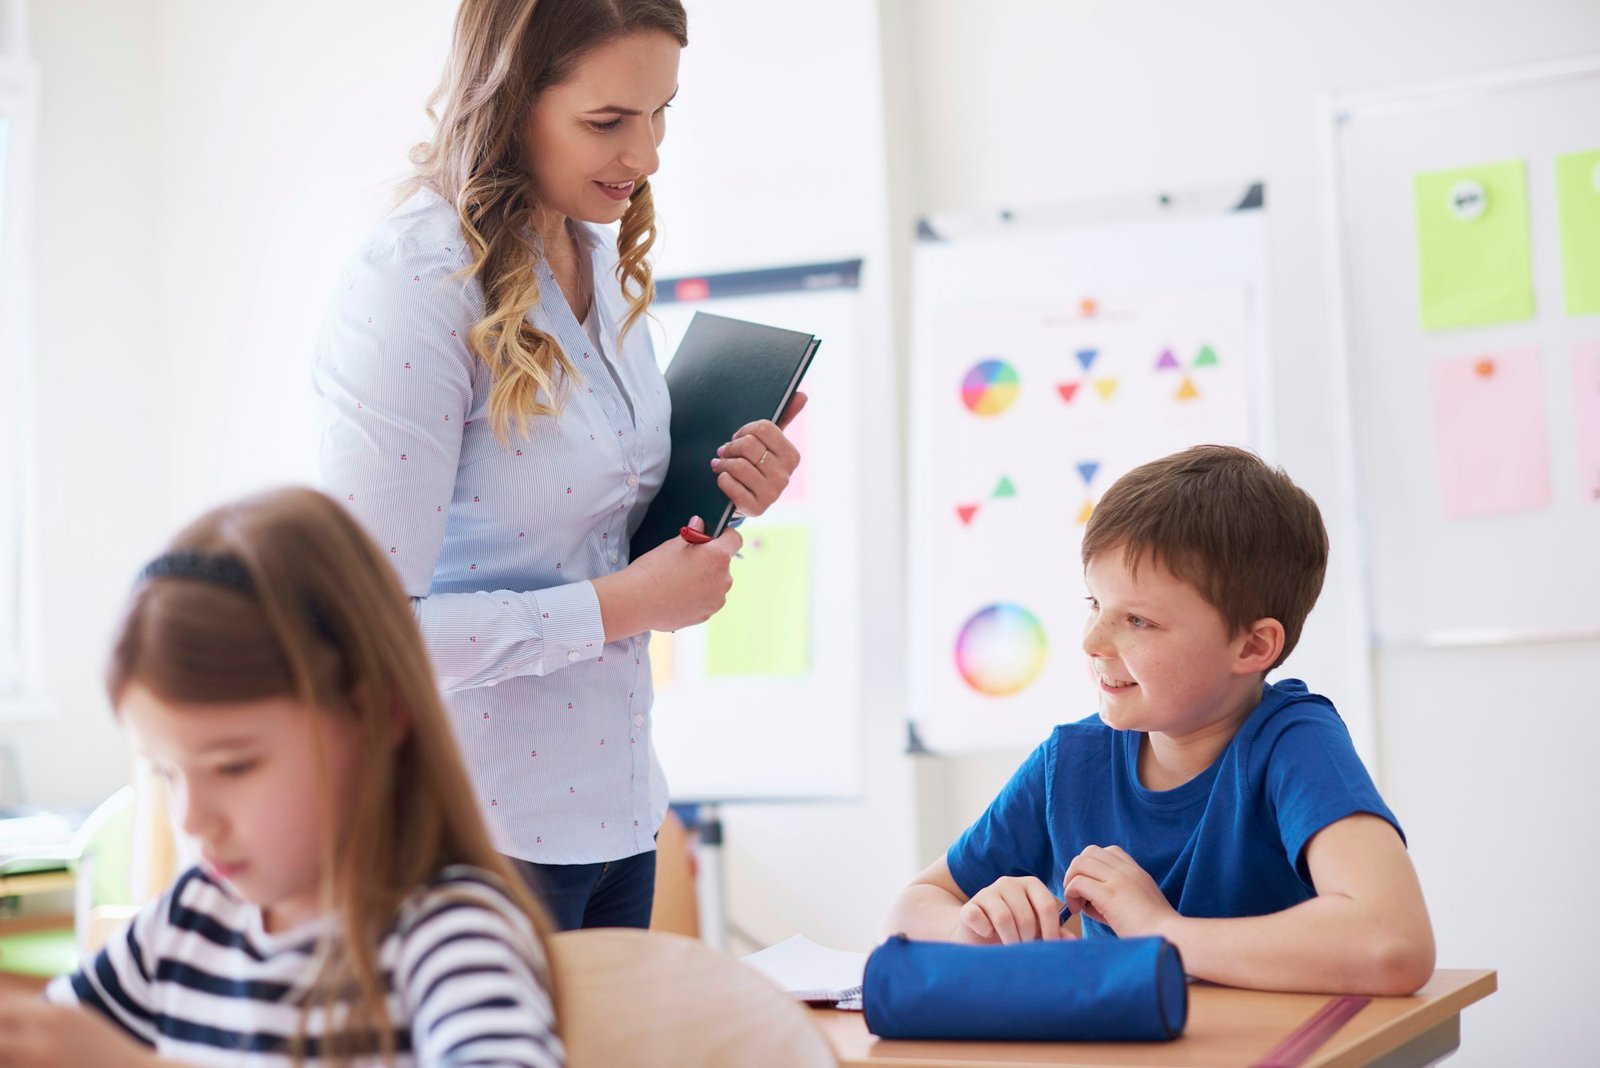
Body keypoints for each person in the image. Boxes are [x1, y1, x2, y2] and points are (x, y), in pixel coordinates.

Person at [313, 0, 804, 932]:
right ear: (507, 103)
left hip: (616, 813)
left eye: (662, 114)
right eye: (608, 122)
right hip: (468, 833)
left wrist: (728, 483)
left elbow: (590, 524)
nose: (648, 154)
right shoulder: (415, 283)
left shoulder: (592, 248)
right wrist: (625, 606)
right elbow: (361, 639)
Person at [0, 488, 562, 1067]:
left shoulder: (451, 938)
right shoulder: (191, 918)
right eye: (167, 772)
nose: (192, 820)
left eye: (234, 766)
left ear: (376, 719)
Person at [884, 445, 1436, 995]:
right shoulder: (1071, 762)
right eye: (1095, 604)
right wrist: (968, 928)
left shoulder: (1292, 742)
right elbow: (909, 913)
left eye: (1138, 621)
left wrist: (1162, 932)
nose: (1092, 640)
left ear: (1252, 645)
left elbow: (1394, 945)